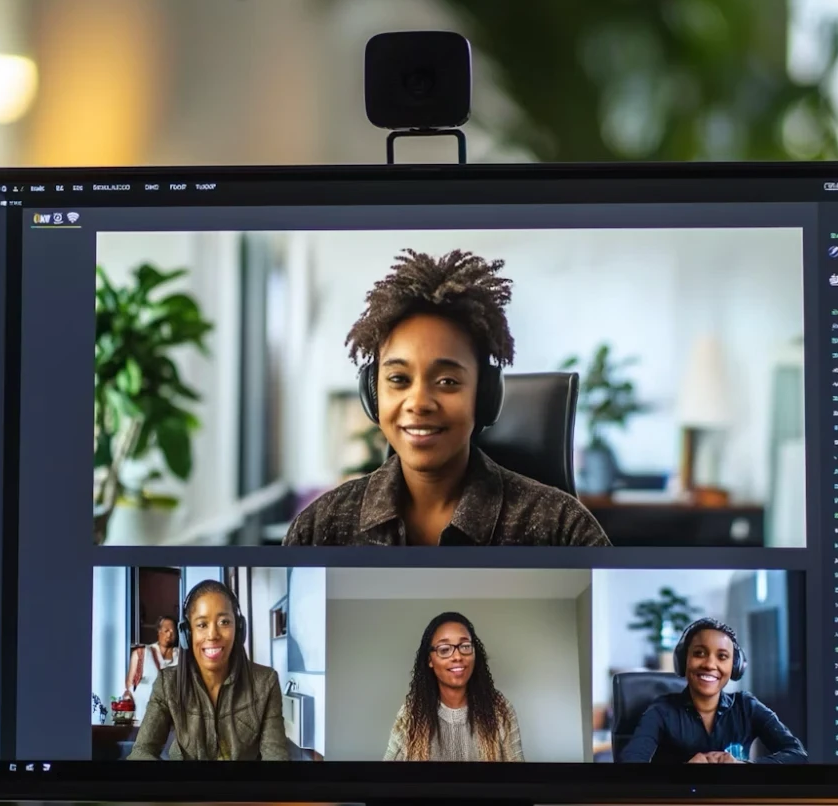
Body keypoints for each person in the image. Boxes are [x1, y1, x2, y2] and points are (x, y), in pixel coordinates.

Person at [283, 248, 610, 547]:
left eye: (447, 381)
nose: (419, 402)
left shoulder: (563, 528)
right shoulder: (321, 527)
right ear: (373, 393)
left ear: (484, 395)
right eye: (398, 379)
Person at [128, 580, 289, 762]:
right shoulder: (168, 683)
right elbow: (141, 751)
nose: (213, 635)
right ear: (187, 634)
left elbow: (276, 757)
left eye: (224, 622)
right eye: (202, 625)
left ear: (239, 628)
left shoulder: (265, 682)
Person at [619, 618, 806, 764]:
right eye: (699, 653)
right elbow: (630, 766)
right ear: (683, 660)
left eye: (722, 656)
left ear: (735, 666)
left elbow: (797, 755)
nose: (709, 664)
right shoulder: (661, 710)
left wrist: (743, 766)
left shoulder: (747, 706)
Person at [384, 612, 524, 762]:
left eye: (465, 646)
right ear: (430, 660)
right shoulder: (411, 715)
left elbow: (520, 778)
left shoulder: (501, 710)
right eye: (444, 649)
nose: (457, 656)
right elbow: (385, 778)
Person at [123, 615, 180, 722]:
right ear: (159, 631)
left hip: (172, 721)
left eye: (172, 631)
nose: (169, 634)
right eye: (166, 630)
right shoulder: (141, 654)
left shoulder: (181, 657)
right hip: (143, 718)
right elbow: (129, 685)